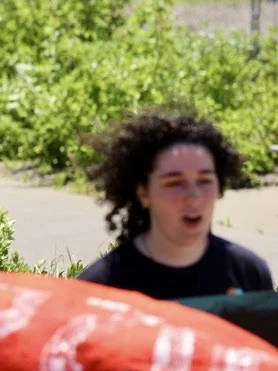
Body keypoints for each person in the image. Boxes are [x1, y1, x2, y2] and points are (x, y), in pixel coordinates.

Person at [77, 109, 273, 298]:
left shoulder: (249, 274)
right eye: (175, 183)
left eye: (205, 181)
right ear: (144, 193)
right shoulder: (102, 287)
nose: (194, 197)